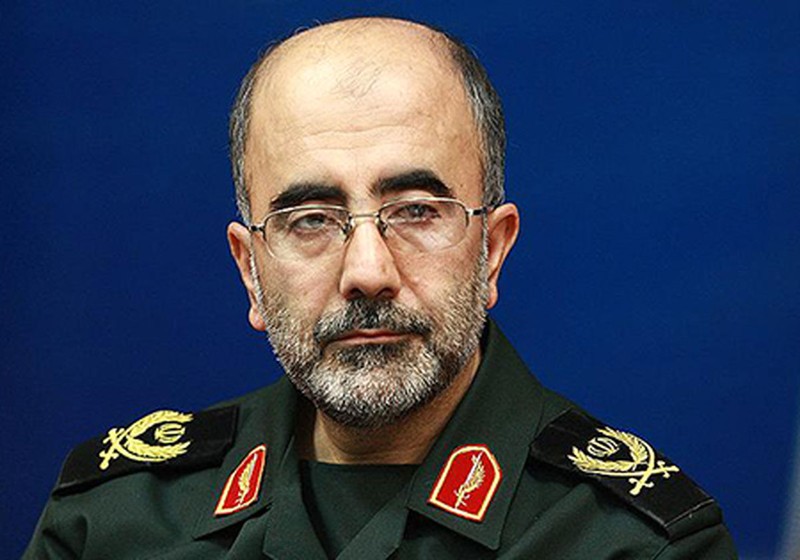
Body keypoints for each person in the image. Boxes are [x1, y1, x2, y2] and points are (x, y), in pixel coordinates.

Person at [24, 17, 737, 559]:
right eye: (311, 219)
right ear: (250, 269)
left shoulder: (632, 543)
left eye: (417, 211)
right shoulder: (112, 523)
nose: (368, 271)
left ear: (492, 251)